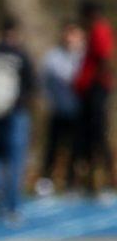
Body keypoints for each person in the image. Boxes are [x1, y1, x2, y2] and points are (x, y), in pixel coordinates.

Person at [0, 20, 35, 224]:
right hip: (16, 114)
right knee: (15, 161)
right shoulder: (21, 56)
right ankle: (13, 207)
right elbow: (31, 85)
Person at [38, 21, 85, 194]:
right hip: (58, 109)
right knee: (53, 146)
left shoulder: (85, 56)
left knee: (76, 147)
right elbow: (45, 82)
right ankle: (46, 180)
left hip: (79, 110)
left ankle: (72, 182)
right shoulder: (53, 56)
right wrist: (50, 101)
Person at [74, 0, 115, 193]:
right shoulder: (94, 31)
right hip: (90, 88)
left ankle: (106, 176)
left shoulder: (99, 30)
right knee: (90, 135)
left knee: (97, 133)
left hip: (96, 88)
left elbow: (104, 57)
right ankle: (93, 179)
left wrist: (98, 81)